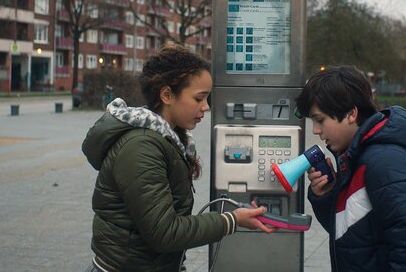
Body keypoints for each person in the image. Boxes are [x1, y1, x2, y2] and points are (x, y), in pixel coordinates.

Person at [82, 45, 275, 272]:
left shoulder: (167, 139)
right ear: (167, 95)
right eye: (198, 98)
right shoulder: (142, 147)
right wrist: (231, 220)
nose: (206, 107)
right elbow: (164, 232)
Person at [295, 66, 406, 271]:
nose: (315, 130)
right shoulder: (358, 157)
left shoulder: (388, 164)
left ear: (351, 114)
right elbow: (355, 238)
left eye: (320, 120)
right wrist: (328, 195)